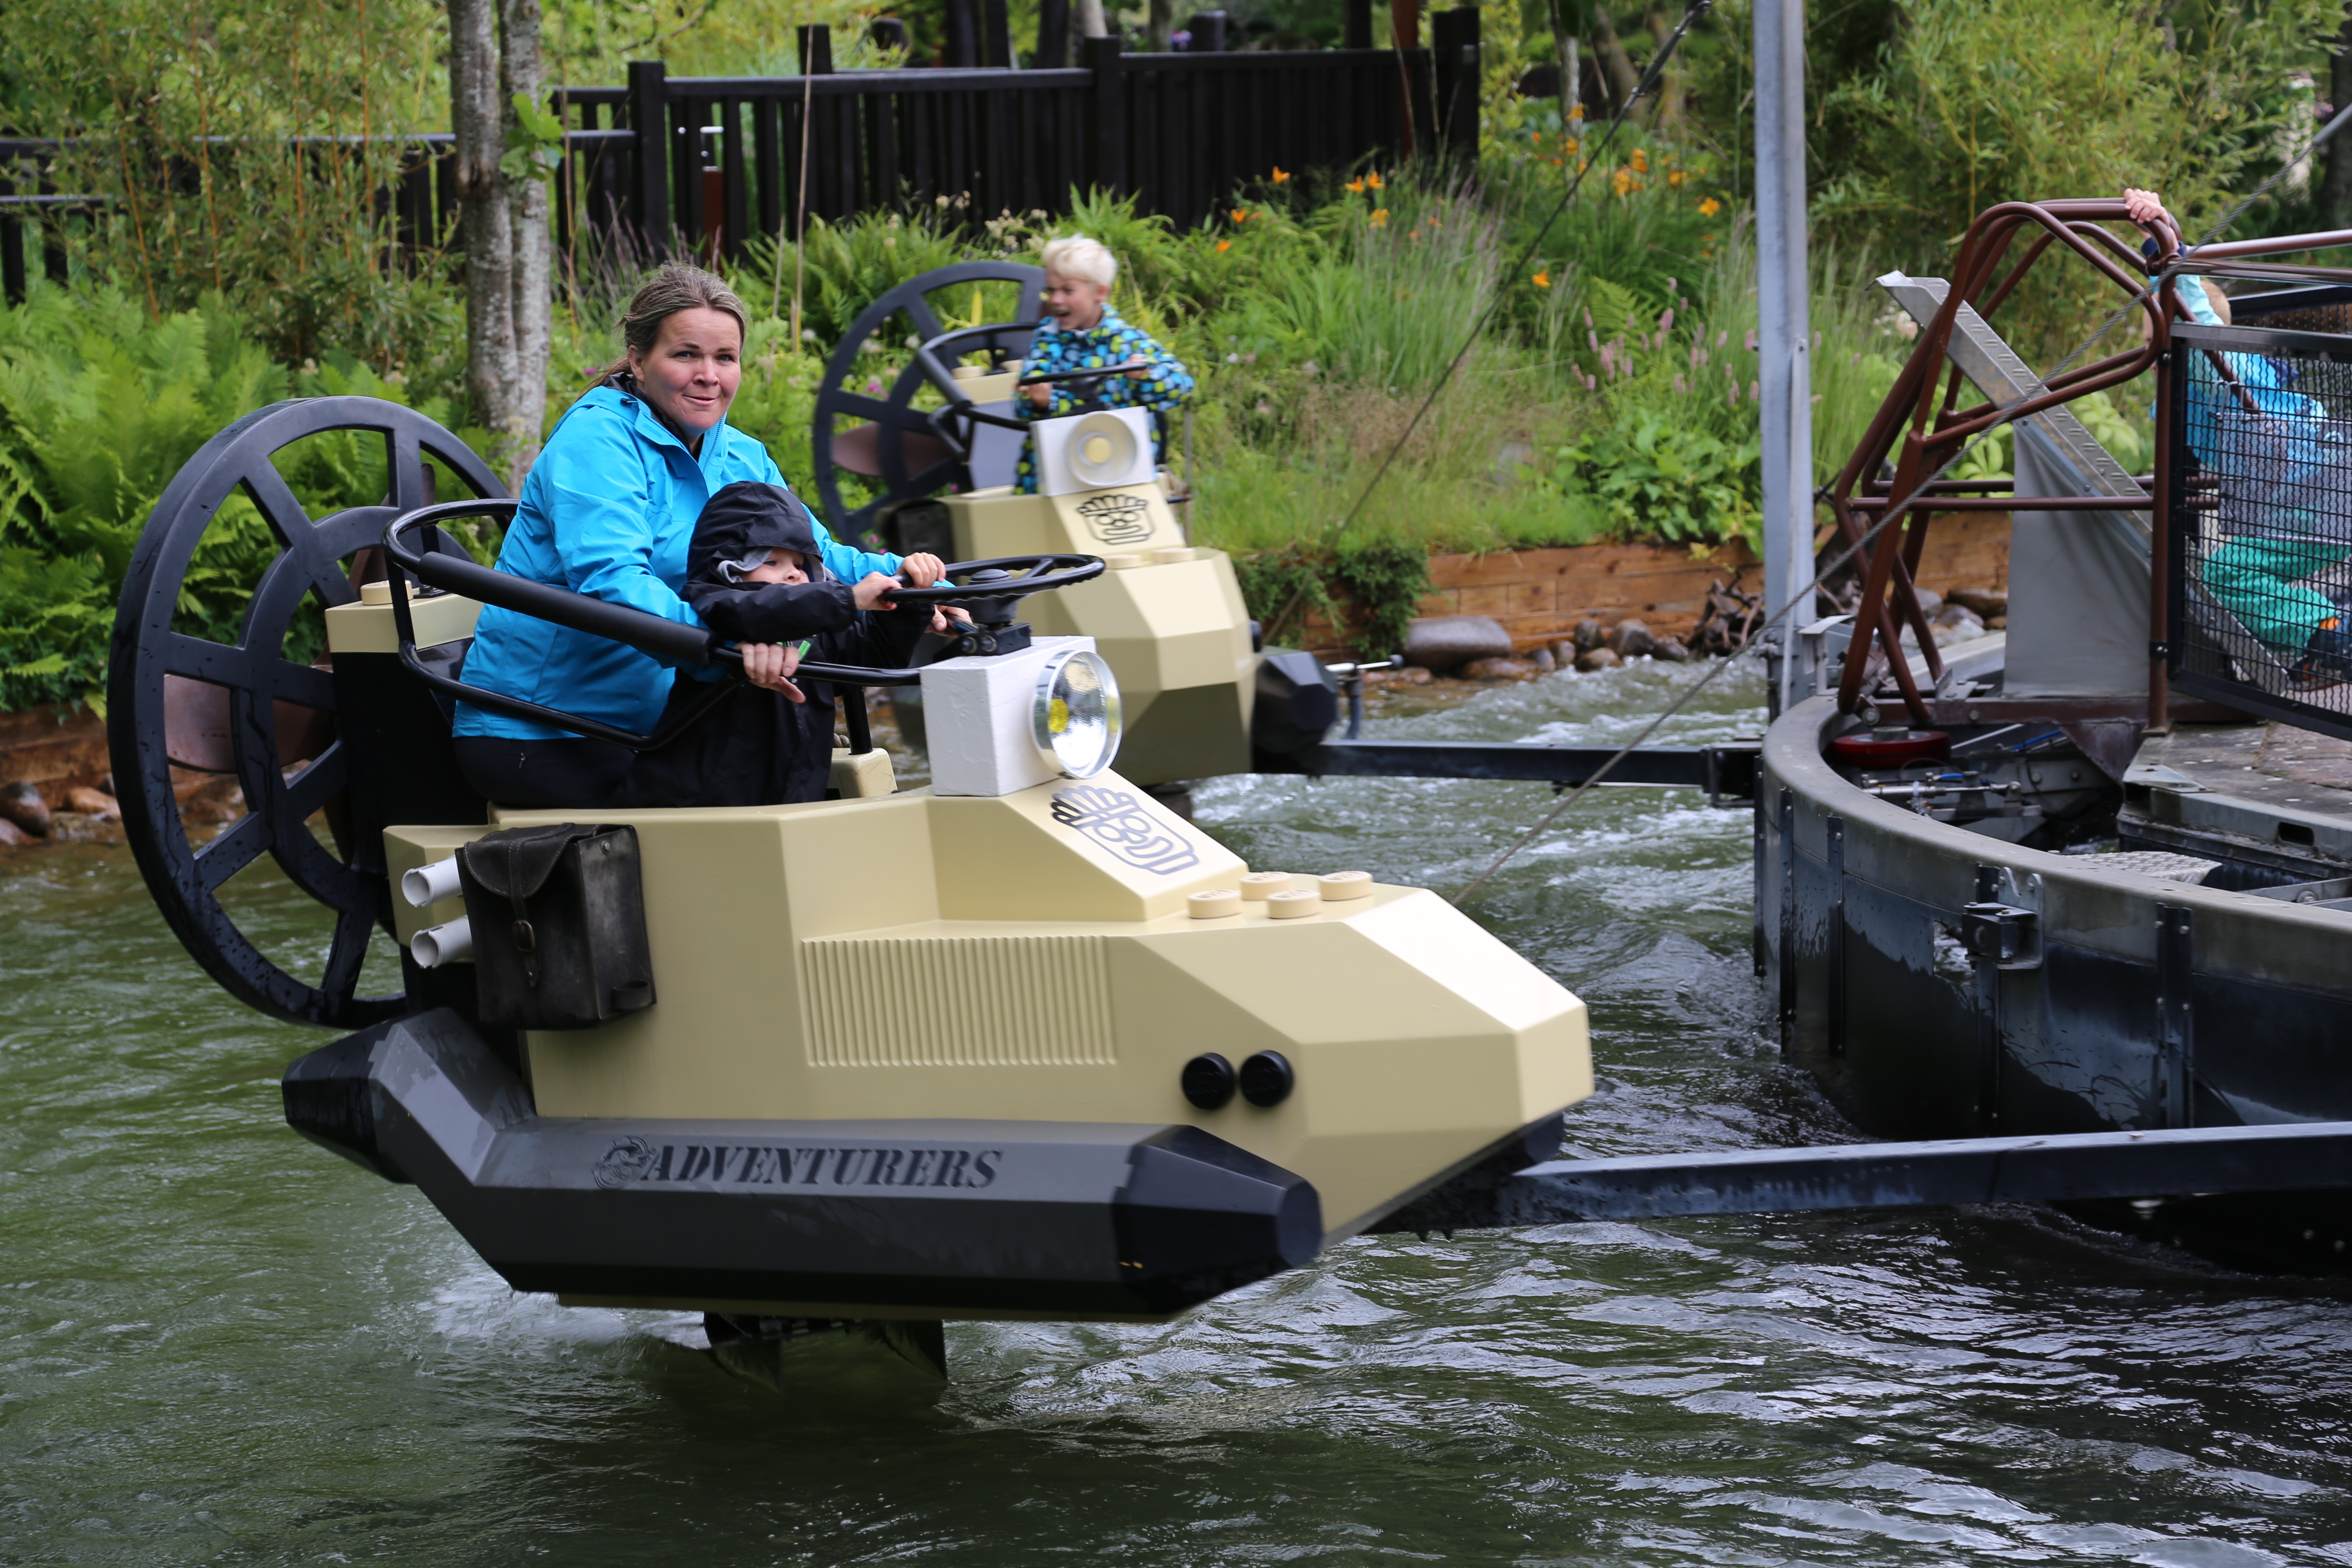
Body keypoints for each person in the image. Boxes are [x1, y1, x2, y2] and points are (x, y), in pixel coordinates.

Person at [451, 263, 947, 809]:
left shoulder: (740, 454)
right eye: (686, 354)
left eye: (725, 358)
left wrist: (916, 589)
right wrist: (732, 648)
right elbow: (612, 584)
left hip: (671, 714)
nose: (708, 375)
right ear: (639, 361)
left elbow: (820, 556)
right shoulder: (596, 441)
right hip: (546, 729)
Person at [614, 481, 964, 809]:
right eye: (771, 562)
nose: (795, 573)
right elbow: (758, 610)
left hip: (783, 804)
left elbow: (872, 653)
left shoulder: (811, 633)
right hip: (693, 810)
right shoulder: (718, 605)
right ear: (728, 571)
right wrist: (847, 598)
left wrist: (911, 602)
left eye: (799, 563)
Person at [2125, 188, 2352, 678]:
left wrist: (2161, 247)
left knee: (2229, 571)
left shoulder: (2219, 373)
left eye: (2157, 341)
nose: (2151, 357)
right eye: (2147, 342)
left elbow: (2197, 321)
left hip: (2315, 497)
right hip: (2315, 493)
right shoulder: (2196, 393)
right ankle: (2326, 629)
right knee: (2252, 568)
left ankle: (2332, 634)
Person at [1011, 236, 1195, 493]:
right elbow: (1021, 405)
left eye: (1068, 290)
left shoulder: (1126, 341)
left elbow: (1182, 384)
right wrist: (1039, 401)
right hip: (1059, 471)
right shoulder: (1046, 344)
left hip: (1123, 467)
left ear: (1100, 293)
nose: (1056, 300)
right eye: (1051, 290)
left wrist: (1144, 375)